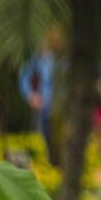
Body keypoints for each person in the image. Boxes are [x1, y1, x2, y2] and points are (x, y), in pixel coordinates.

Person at [18, 27, 62, 166]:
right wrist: (31, 96)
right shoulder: (35, 61)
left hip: (58, 107)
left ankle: (54, 164)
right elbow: (24, 78)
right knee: (41, 138)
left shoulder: (58, 60)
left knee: (57, 139)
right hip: (42, 106)